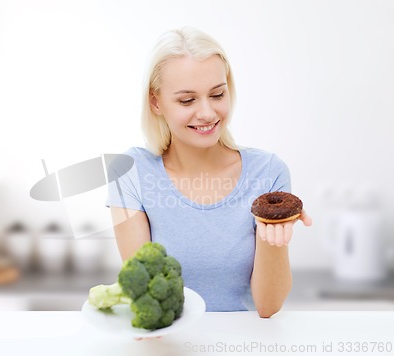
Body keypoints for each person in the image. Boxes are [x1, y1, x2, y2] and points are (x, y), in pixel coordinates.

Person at [106, 27, 312, 317]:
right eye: (187, 100)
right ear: (156, 102)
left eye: (217, 94)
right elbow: (146, 295)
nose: (207, 113)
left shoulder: (268, 172)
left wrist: (273, 235)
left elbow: (267, 306)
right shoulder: (131, 173)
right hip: (168, 343)